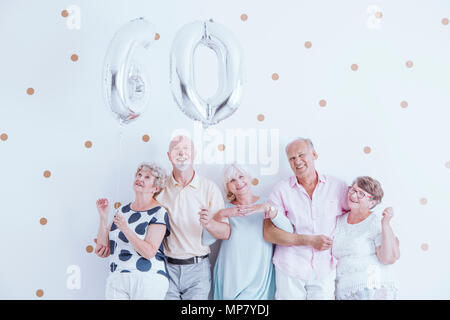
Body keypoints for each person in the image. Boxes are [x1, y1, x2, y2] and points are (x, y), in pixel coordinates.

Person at [263, 137, 349, 300]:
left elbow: (356, 215)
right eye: (292, 158)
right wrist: (308, 240)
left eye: (301, 155)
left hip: (324, 268)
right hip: (290, 267)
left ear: (314, 154)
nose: (298, 161)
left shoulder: (337, 186)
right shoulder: (281, 190)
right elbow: (269, 233)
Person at [200, 163, 293, 300]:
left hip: (259, 279)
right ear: (228, 187)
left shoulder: (266, 203)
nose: (238, 182)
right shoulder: (225, 209)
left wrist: (267, 209)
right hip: (230, 278)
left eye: (241, 176)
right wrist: (221, 214)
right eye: (232, 180)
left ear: (249, 178)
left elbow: (288, 231)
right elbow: (206, 240)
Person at [156, 135, 225, 300]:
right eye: (176, 149)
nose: (181, 153)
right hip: (166, 268)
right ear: (169, 156)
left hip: (198, 270)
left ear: (194, 154)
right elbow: (140, 210)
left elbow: (225, 232)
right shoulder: (158, 187)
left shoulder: (209, 188)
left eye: (186, 148)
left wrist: (209, 223)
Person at [94, 162, 170, 299]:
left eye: (147, 177)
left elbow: (148, 252)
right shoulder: (122, 210)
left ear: (156, 188)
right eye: (139, 175)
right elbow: (103, 247)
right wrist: (103, 217)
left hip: (147, 278)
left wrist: (125, 229)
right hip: (118, 277)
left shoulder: (159, 212)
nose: (140, 178)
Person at [332, 176, 400, 300]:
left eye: (361, 194)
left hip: (371, 289)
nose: (354, 195)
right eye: (353, 190)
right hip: (345, 291)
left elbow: (387, 258)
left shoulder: (375, 223)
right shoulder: (339, 220)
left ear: (372, 203)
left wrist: (385, 223)